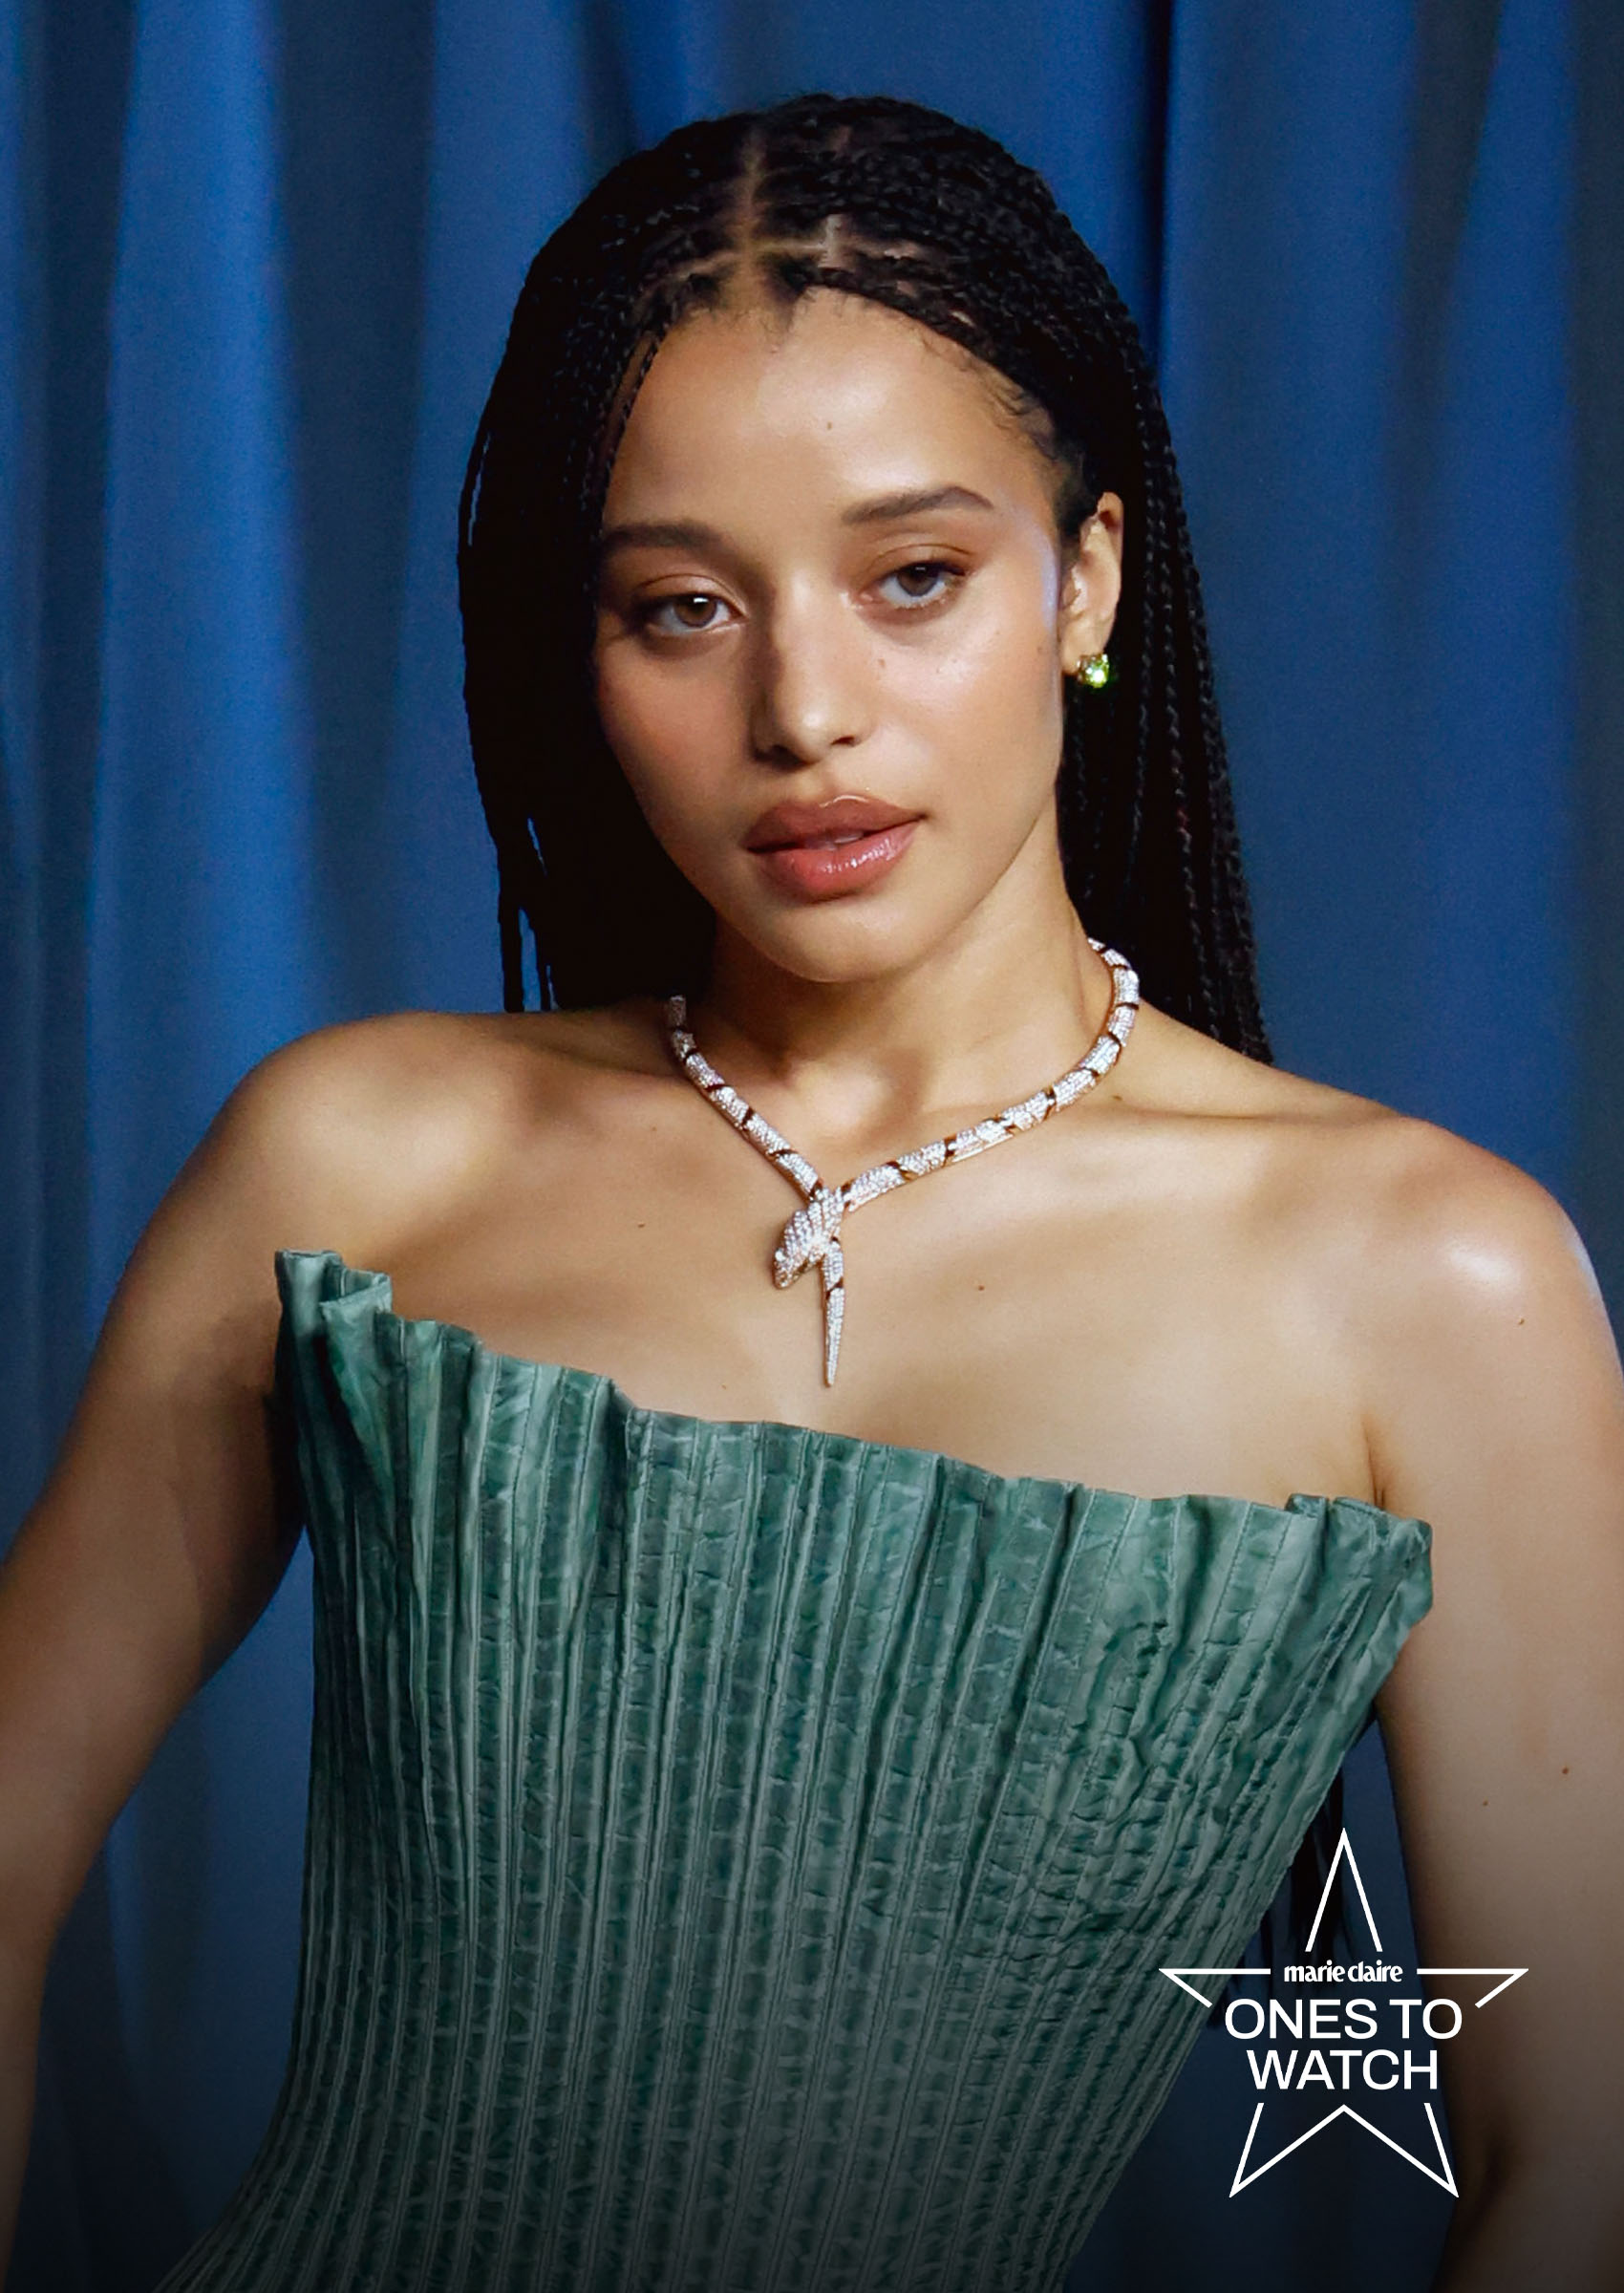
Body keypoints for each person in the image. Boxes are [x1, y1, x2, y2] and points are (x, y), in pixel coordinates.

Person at [1, 90, 1620, 2293]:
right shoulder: (355, 1159)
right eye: (680, 608)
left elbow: (1574, 2161)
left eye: (911, 578)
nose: (803, 710)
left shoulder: (1426, 1281)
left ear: (1087, 579)